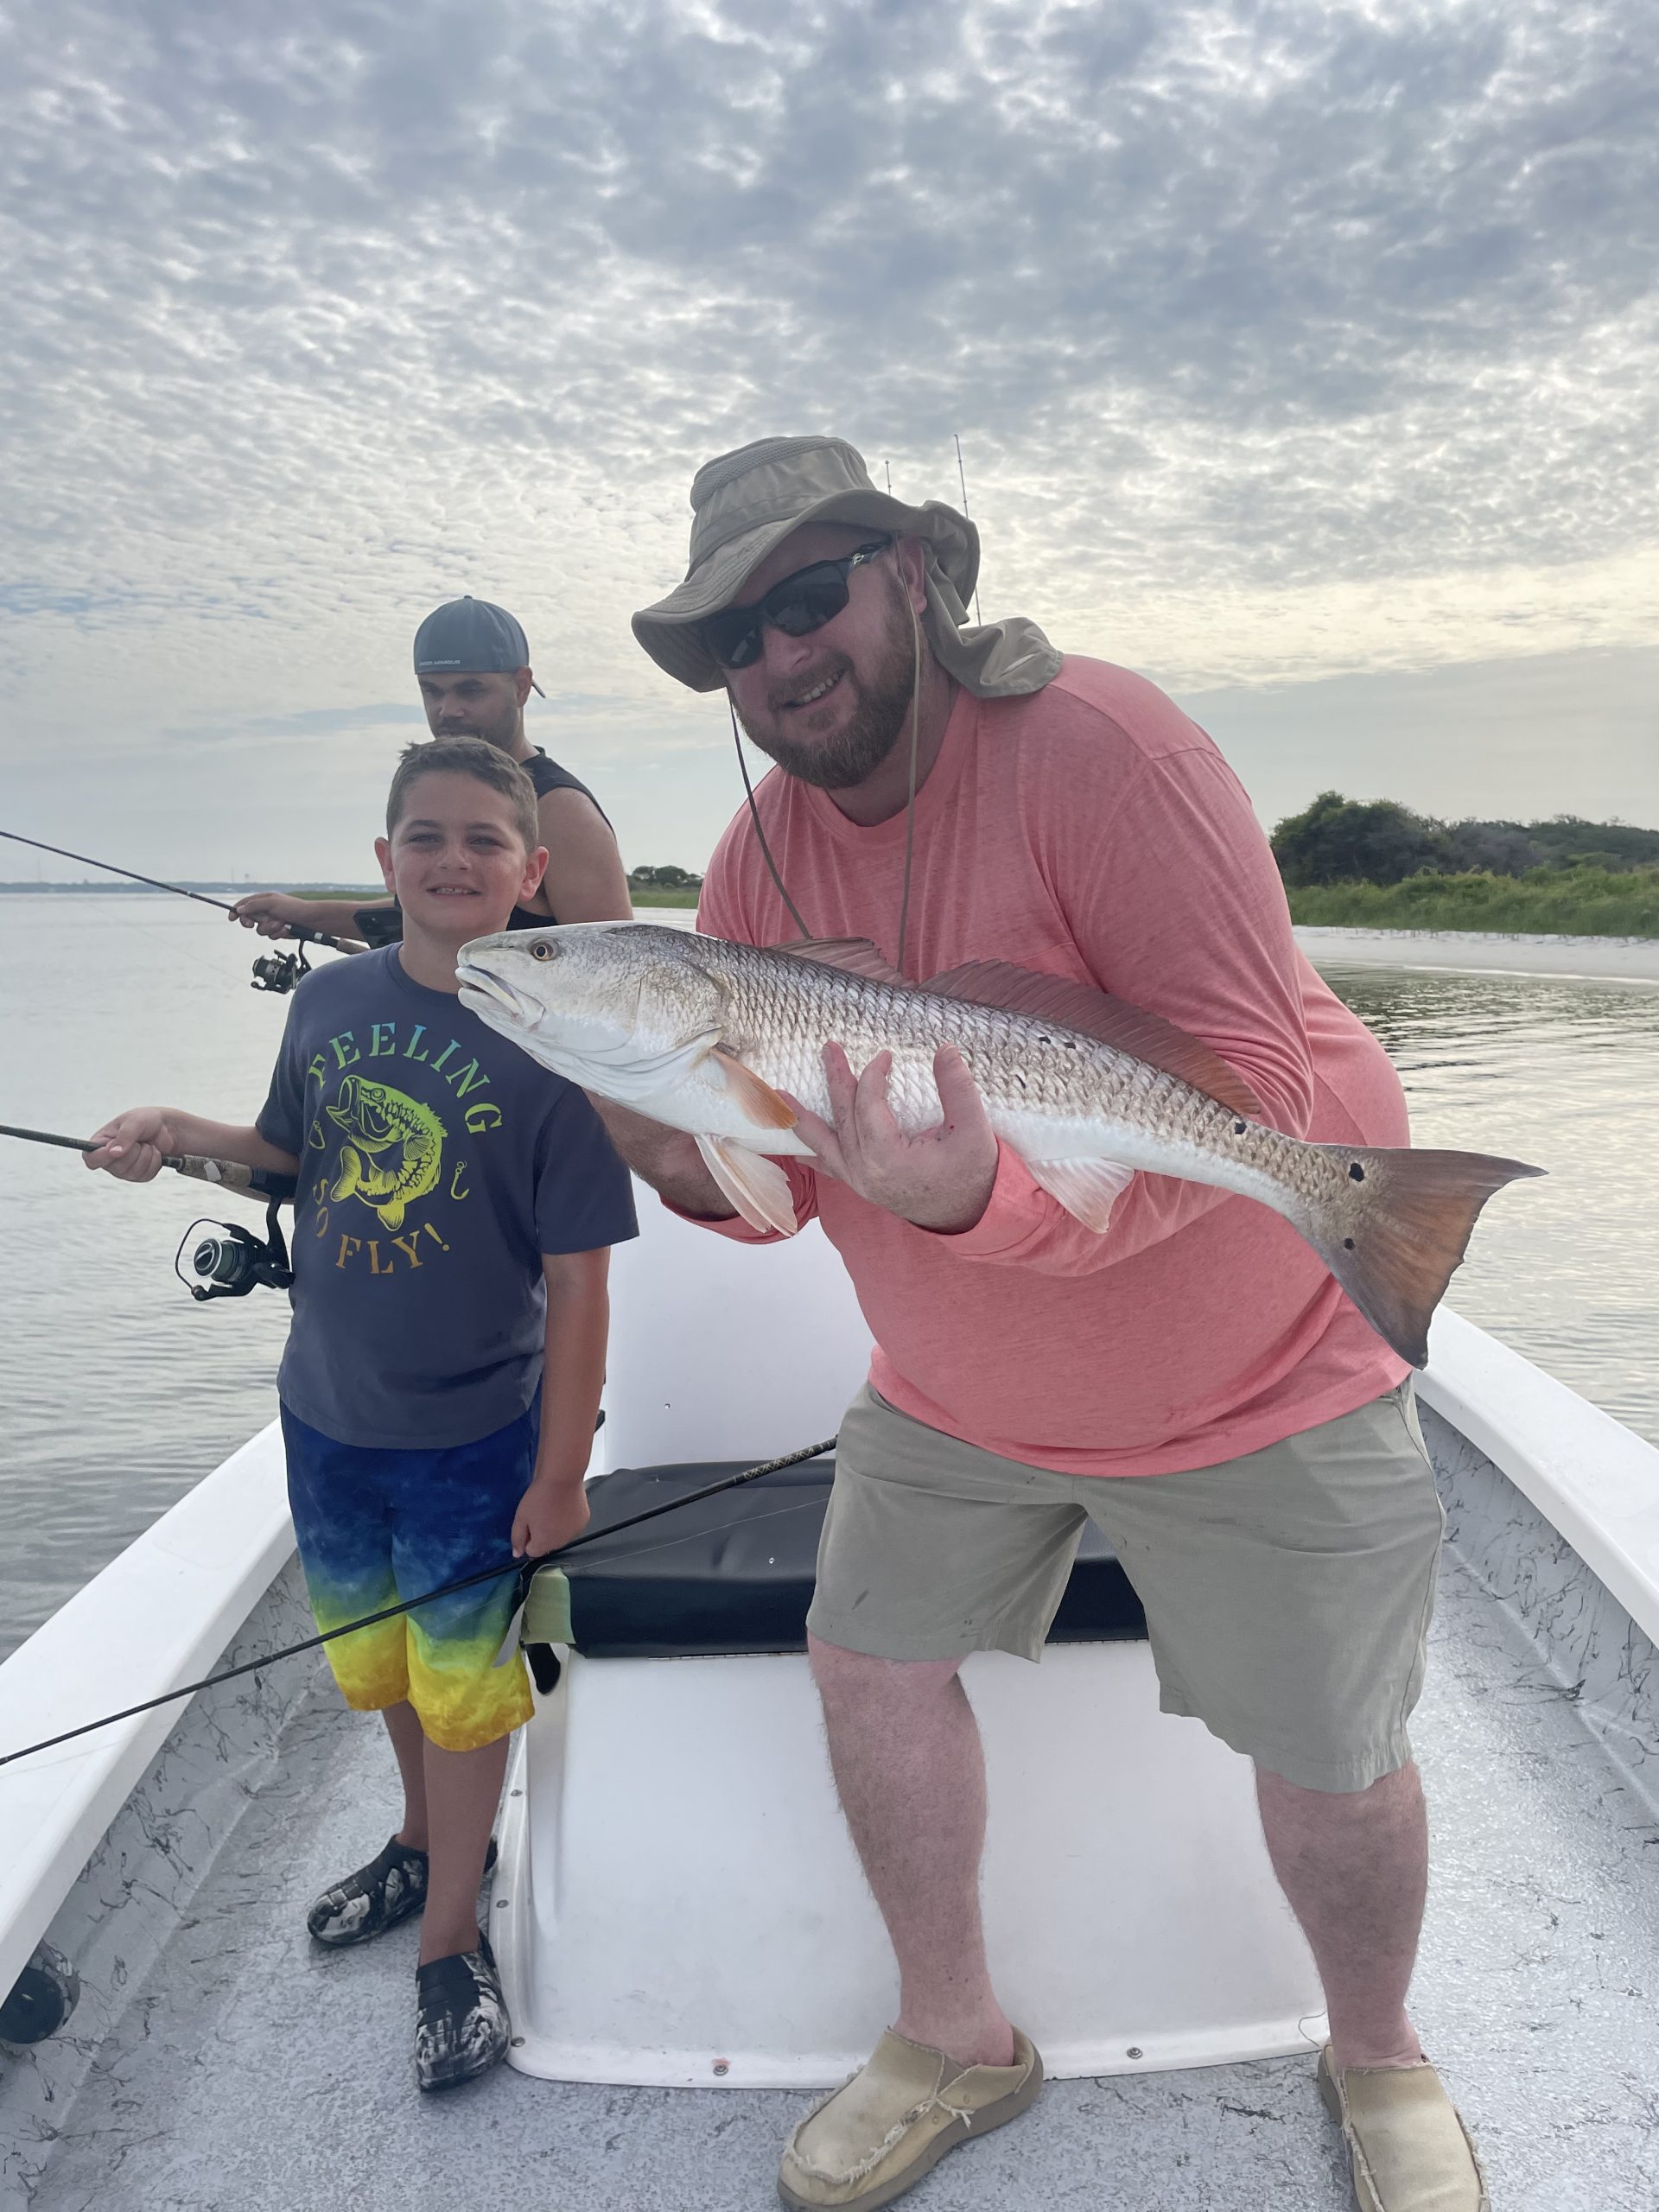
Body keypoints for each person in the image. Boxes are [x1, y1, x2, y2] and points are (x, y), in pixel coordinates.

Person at [602, 436, 1485, 2211]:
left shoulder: (1112, 753)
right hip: (956, 1387)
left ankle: (1379, 2045)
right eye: (730, 644)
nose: (776, 660)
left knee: (1334, 1742)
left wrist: (972, 1199)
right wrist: (672, 1150)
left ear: (912, 574)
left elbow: (1244, 1086)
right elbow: (773, 1194)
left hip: (1262, 1364)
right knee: (866, 1662)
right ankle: (956, 2033)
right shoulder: (746, 869)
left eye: (805, 597)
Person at [86, 736, 637, 2092]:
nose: (453, 861)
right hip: (327, 1422)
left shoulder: (559, 1049)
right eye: (426, 838)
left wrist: (562, 1474)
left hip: (472, 1442)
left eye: (483, 842)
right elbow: (291, 1149)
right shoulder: (329, 1001)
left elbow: (579, 1289)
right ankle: (424, 1841)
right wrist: (175, 1125)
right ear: (384, 862)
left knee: (464, 1697)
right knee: (380, 1674)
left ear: (533, 874)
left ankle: (453, 1934)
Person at [230, 595, 632, 946]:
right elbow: (420, 910)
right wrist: (302, 912)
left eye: (470, 690)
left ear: (522, 687)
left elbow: (621, 967)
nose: (448, 711)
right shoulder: (442, 792)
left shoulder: (561, 808)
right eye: (432, 691)